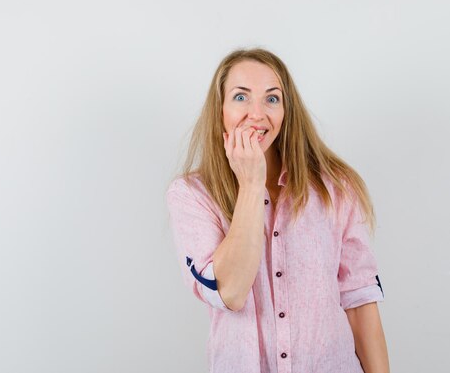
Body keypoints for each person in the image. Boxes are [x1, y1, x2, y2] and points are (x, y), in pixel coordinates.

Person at [166, 47, 390, 373]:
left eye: (272, 99)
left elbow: (360, 304)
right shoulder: (191, 196)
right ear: (220, 111)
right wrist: (251, 185)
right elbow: (230, 292)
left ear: (286, 113)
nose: (257, 113)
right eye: (241, 97)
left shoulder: (336, 189)